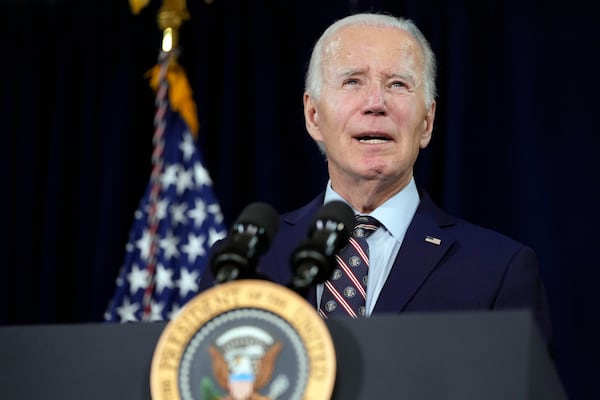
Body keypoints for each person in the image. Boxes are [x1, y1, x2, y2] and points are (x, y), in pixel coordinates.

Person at [199, 12, 553, 347]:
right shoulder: (244, 264)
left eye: (397, 84)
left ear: (427, 122)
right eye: (352, 81)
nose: (375, 102)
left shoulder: (496, 269)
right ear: (313, 116)